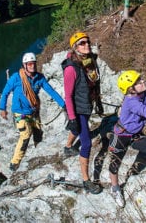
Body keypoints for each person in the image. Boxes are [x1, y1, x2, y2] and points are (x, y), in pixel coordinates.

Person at [108, 70, 146, 207]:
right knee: (115, 164)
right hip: (121, 135)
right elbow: (144, 110)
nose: (143, 82)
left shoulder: (143, 93)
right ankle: (115, 188)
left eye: (141, 79)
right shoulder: (131, 101)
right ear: (131, 89)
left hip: (136, 134)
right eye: (138, 82)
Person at [0, 52, 65, 172]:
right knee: (25, 134)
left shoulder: (39, 78)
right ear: (24, 65)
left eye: (33, 63)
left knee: (38, 133)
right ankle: (15, 162)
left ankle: (37, 153)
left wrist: (63, 104)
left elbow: (51, 91)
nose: (32, 66)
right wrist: (2, 109)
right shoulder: (16, 78)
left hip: (33, 112)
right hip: (20, 113)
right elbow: (5, 92)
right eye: (29, 64)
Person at [61, 32, 103, 194]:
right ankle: (86, 181)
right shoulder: (71, 69)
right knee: (86, 143)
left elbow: (93, 84)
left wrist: (97, 103)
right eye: (82, 43)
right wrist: (72, 118)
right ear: (75, 47)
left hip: (87, 105)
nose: (86, 45)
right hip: (77, 109)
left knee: (77, 129)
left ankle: (68, 146)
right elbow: (68, 96)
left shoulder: (89, 61)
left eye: (87, 42)